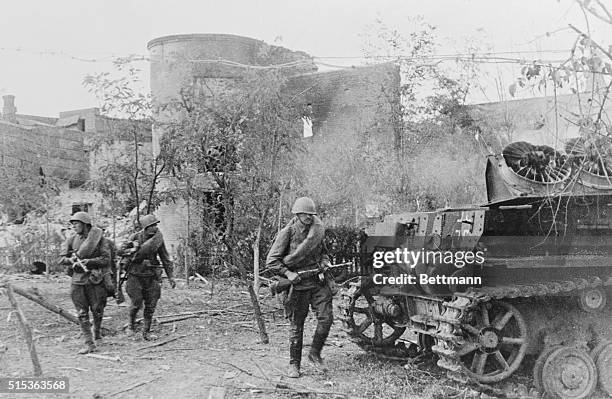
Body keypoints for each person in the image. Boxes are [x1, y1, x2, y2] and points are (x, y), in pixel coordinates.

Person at [265, 197, 333, 378]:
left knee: (326, 318)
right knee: (297, 325)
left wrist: (326, 263)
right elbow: (271, 261)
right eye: (306, 214)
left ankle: (315, 353)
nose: (310, 218)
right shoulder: (287, 232)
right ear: (297, 214)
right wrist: (288, 274)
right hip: (298, 286)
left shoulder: (317, 231)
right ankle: (294, 364)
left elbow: (324, 252)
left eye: (312, 214)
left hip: (318, 282)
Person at [59, 211, 112, 354]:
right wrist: (70, 260)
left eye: (77, 224)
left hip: (95, 280)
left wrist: (90, 261)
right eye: (73, 224)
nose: (74, 227)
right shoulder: (71, 240)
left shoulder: (100, 239)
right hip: (77, 281)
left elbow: (106, 259)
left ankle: (97, 334)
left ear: (85, 224)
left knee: (97, 310)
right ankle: (89, 343)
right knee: (82, 313)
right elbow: (61, 259)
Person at [120, 214, 176, 340]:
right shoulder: (134, 237)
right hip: (135, 275)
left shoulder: (158, 240)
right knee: (136, 303)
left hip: (151, 276)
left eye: (156, 225)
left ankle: (146, 330)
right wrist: (131, 251)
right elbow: (121, 251)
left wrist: (171, 277)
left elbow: (165, 258)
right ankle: (131, 325)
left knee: (151, 304)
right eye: (151, 226)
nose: (155, 228)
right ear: (145, 227)